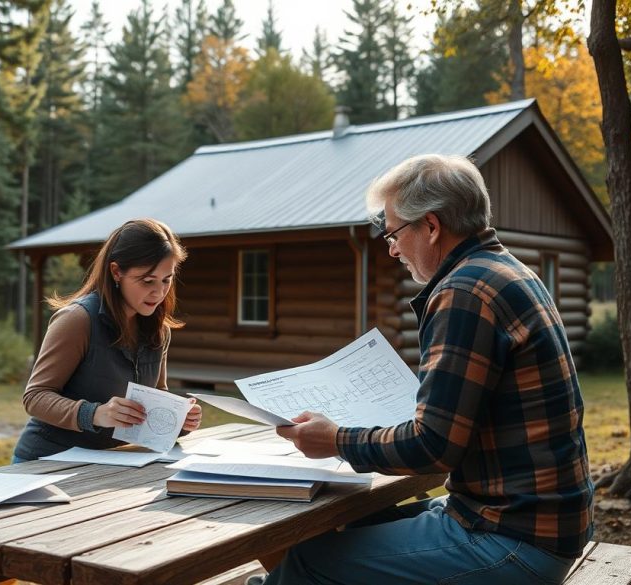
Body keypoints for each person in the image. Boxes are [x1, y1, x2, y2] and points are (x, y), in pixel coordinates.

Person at [251, 154, 594, 585]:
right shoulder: (509, 270)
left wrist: (335, 439)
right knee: (357, 528)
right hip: (533, 521)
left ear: (431, 227)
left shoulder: (465, 292)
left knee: (308, 562)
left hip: (515, 541)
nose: (391, 247)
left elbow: (433, 448)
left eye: (393, 232)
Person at [12, 218, 202, 463]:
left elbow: (155, 395)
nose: (159, 292)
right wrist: (95, 413)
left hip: (113, 463)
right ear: (116, 272)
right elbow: (35, 397)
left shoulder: (159, 330)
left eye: (167, 279)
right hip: (47, 463)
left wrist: (178, 419)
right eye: (147, 281)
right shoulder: (77, 320)